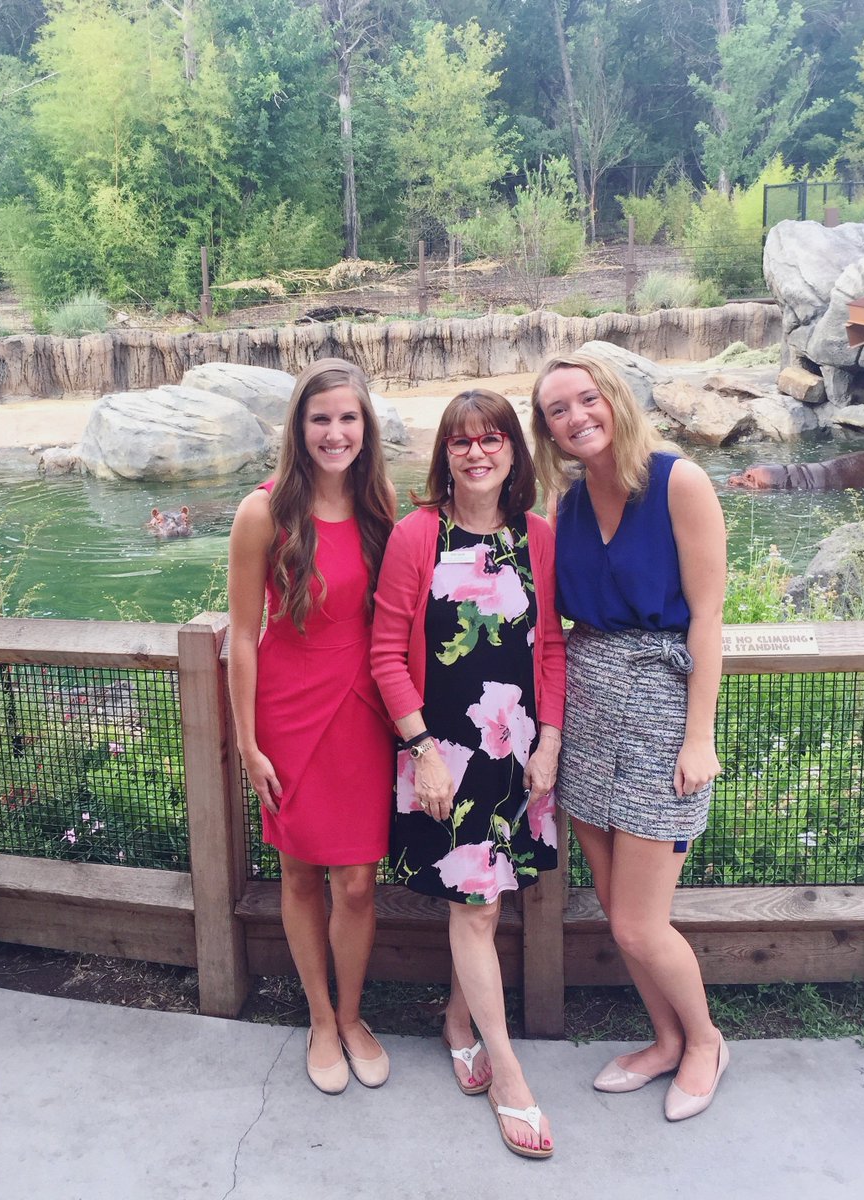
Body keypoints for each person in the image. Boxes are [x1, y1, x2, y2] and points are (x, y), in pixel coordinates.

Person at [531, 350, 728, 1122]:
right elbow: (551, 624)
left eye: (586, 399)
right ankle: (663, 1041)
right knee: (619, 914)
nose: (576, 417)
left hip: (658, 710)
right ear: (545, 429)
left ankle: (705, 1041)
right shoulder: (566, 506)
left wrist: (698, 736)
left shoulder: (678, 481)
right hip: (585, 713)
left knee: (642, 923)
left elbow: (709, 618)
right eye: (556, 410)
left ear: (612, 398)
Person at [371, 390, 566, 1159]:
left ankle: (458, 1019)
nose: (476, 452)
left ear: (513, 452)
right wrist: (420, 749)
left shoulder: (536, 537)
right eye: (460, 442)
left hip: (515, 751)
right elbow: (385, 653)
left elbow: (550, 646)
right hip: (442, 760)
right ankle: (510, 1072)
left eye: (491, 439)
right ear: (443, 455)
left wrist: (548, 741)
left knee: (483, 902)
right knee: (477, 908)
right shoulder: (418, 534)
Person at [227, 358, 396, 1095]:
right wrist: (247, 743)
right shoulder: (262, 511)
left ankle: (353, 1015)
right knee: (299, 873)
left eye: (348, 418)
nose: (335, 432)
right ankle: (320, 1020)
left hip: (365, 713)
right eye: (320, 418)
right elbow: (241, 631)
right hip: (289, 714)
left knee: (357, 881)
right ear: (299, 427)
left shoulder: (380, 505)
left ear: (366, 427)